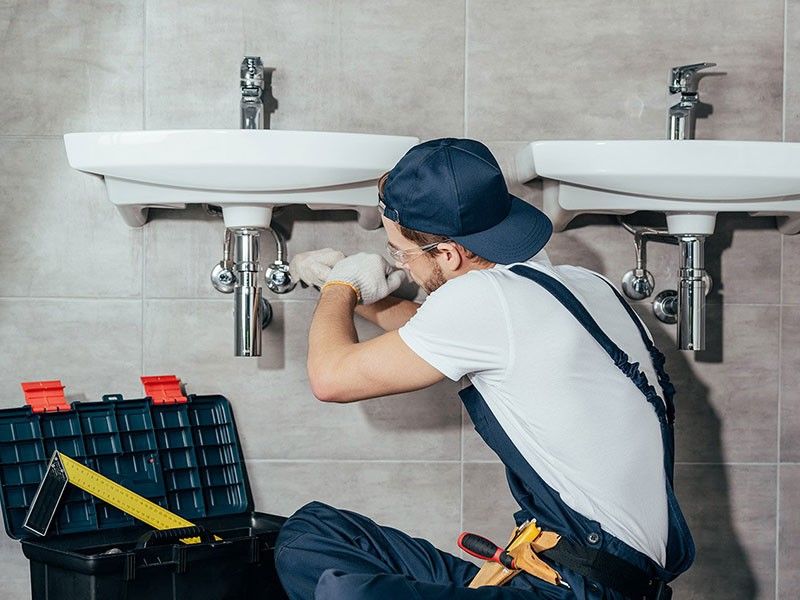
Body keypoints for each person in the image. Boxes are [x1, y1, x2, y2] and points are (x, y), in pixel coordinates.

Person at [274, 138, 694, 599]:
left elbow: (329, 379)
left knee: (348, 593)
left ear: (448, 254)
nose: (404, 267)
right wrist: (357, 295)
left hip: (585, 591)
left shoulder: (484, 300)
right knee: (310, 534)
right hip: (572, 573)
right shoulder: (582, 283)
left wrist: (340, 287)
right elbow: (437, 336)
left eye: (400, 253)